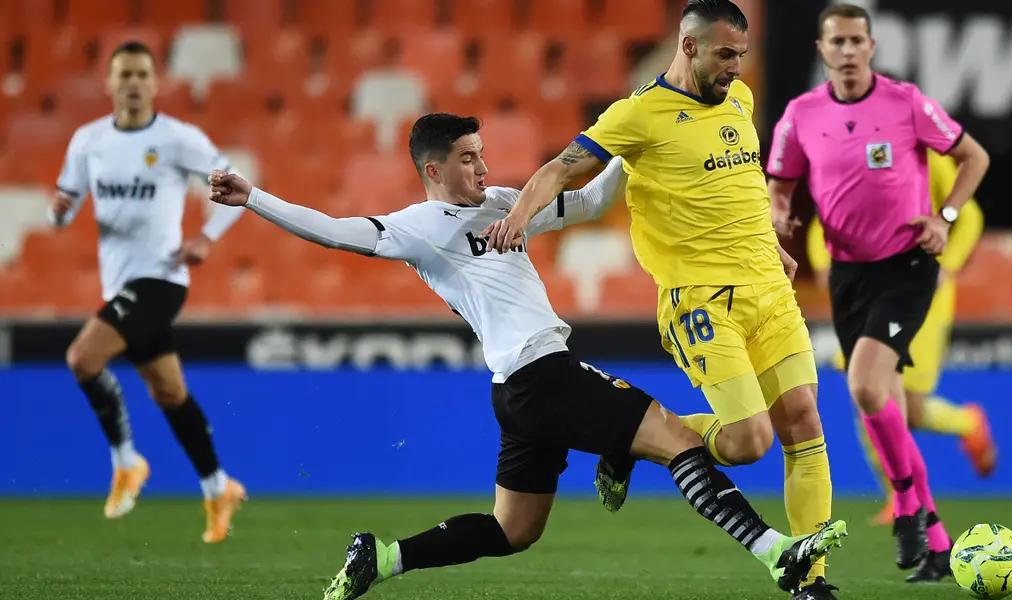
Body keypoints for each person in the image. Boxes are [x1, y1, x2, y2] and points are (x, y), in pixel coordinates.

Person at [208, 113, 847, 600]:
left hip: (515, 394)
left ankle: (383, 557)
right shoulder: (419, 229)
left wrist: (637, 135)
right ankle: (773, 551)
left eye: (482, 155)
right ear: (432, 170)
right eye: (466, 159)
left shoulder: (500, 206)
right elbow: (336, 232)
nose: (482, 169)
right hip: (544, 374)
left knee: (513, 530)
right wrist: (254, 198)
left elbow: (593, 201)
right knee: (676, 437)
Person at [483, 3, 838, 597]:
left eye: (741, 57)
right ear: (689, 46)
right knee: (749, 443)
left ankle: (812, 580)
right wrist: (518, 216)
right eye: (725, 55)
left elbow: (740, 184)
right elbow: (559, 170)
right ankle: (635, 443)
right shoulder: (638, 114)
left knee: (802, 421)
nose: (735, 69)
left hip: (769, 290)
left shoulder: (741, 103)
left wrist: (770, 245)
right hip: (700, 300)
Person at [765, 3, 991, 583]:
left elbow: (974, 157)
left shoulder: (905, 102)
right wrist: (780, 214)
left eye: (855, 41)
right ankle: (937, 543)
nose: (846, 51)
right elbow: (781, 186)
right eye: (835, 41)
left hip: (907, 265)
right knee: (883, 402)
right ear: (821, 50)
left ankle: (907, 507)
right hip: (848, 274)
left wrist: (944, 215)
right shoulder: (800, 115)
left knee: (867, 386)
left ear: (870, 46)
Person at [50, 40, 246, 543]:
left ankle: (126, 462)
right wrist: (59, 212)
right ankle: (218, 486)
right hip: (119, 282)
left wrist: (205, 237)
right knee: (169, 392)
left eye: (141, 74)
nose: (133, 83)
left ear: (155, 83)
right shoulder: (87, 141)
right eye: (124, 75)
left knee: (82, 359)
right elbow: (66, 205)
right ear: (110, 83)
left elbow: (235, 187)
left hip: (161, 279)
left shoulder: (179, 139)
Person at [782, 149, 997, 525]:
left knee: (908, 408)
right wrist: (824, 265)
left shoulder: (926, 155)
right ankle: (898, 498)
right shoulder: (849, 156)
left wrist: (948, 263)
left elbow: (970, 215)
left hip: (921, 292)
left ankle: (967, 423)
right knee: (866, 393)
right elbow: (823, 225)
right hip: (865, 293)